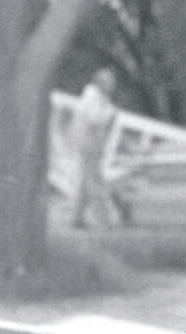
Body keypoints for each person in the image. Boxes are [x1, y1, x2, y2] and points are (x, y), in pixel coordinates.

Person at [71, 68, 123, 229]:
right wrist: (110, 114)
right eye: (109, 81)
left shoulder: (99, 98)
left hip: (92, 143)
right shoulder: (93, 98)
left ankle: (77, 218)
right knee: (95, 181)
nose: (113, 85)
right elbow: (95, 118)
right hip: (89, 143)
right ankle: (104, 221)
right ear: (100, 82)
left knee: (86, 182)